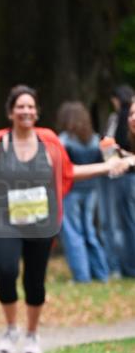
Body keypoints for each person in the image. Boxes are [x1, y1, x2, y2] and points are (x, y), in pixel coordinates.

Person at [0, 84, 130, 353]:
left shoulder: (49, 141)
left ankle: (32, 333)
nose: (26, 111)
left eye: (30, 106)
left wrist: (107, 166)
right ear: (11, 112)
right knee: (5, 273)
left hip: (40, 220)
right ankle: (10, 327)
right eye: (20, 106)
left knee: (35, 279)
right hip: (4, 220)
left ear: (37, 111)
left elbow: (69, 171)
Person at [56, 101, 109, 283]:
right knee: (90, 232)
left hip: (70, 192)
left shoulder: (63, 140)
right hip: (92, 191)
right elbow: (108, 162)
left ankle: (82, 276)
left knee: (72, 233)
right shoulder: (96, 139)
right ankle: (101, 273)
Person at [98, 84, 134, 276]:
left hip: (122, 177)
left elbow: (108, 146)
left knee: (120, 224)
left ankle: (124, 267)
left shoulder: (117, 119)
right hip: (126, 173)